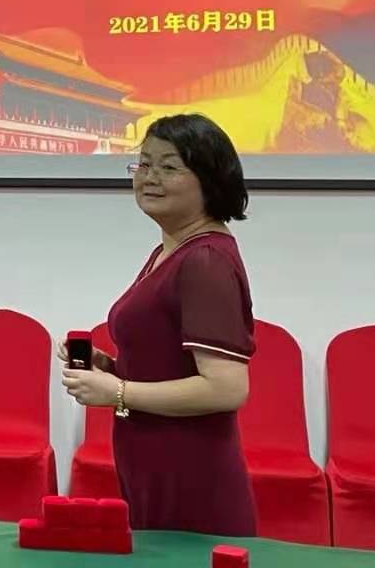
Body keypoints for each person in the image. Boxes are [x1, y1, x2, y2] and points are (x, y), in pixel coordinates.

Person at [60, 113, 257, 536]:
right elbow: (167, 366)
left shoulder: (205, 260)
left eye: (169, 167)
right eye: (144, 164)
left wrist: (118, 392)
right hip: (151, 463)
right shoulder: (169, 251)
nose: (150, 177)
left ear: (210, 179)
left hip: (190, 474)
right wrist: (111, 368)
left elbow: (226, 388)